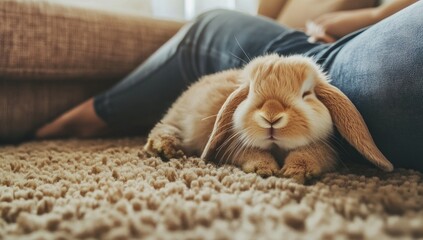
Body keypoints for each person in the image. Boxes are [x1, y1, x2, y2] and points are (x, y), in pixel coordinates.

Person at [35, 0, 422, 171]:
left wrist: (373, 15)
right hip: (331, 46)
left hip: (340, 55)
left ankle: (70, 122)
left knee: (213, 25)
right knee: (216, 26)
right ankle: (71, 123)